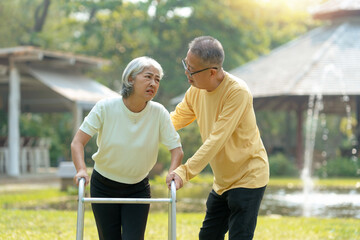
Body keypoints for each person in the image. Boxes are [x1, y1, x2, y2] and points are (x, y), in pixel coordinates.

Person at [166, 36, 269, 240]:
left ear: (212, 72)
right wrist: (139, 126)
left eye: (192, 70)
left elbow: (216, 140)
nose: (187, 73)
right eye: (186, 65)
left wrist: (184, 172)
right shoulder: (195, 92)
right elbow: (173, 121)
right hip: (222, 182)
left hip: (248, 177)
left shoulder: (237, 92)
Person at [71, 56, 183, 240]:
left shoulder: (159, 113)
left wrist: (172, 172)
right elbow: (77, 142)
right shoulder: (105, 107)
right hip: (103, 185)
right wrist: (81, 170)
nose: (153, 83)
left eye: (157, 79)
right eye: (148, 77)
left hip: (138, 187)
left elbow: (176, 149)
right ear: (130, 79)